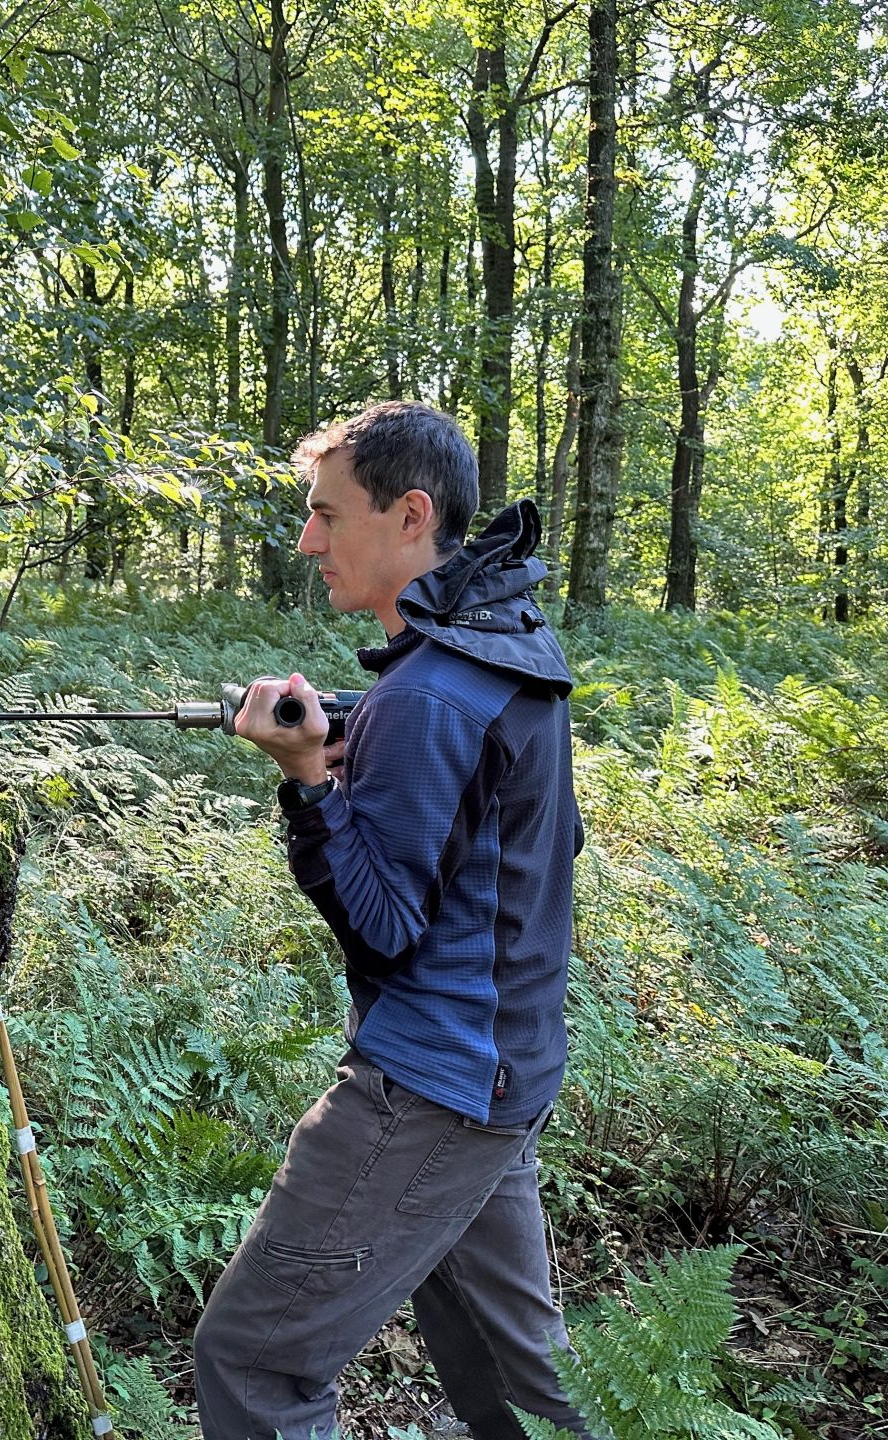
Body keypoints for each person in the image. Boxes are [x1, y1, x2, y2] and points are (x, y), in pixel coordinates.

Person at [193, 401, 591, 1440]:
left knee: (254, 1365)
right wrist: (355, 750)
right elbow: (528, 837)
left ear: (409, 515)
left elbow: (382, 931)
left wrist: (310, 788)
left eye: (327, 515)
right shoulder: (508, 648)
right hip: (505, 1073)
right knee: (517, 1389)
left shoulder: (432, 696)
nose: (307, 540)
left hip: (432, 1084)